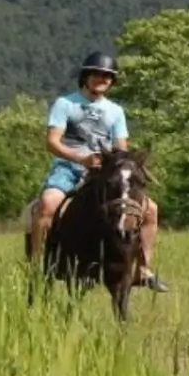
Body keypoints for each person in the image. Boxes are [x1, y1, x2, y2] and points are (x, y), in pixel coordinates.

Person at [30, 51, 168, 292]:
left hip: (105, 173)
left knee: (151, 210)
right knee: (48, 203)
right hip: (69, 168)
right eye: (97, 74)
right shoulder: (66, 104)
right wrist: (81, 158)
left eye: (107, 76)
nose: (101, 79)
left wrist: (117, 165)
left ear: (111, 82)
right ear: (86, 76)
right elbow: (52, 142)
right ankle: (37, 265)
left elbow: (121, 148)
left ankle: (142, 268)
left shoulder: (115, 111)